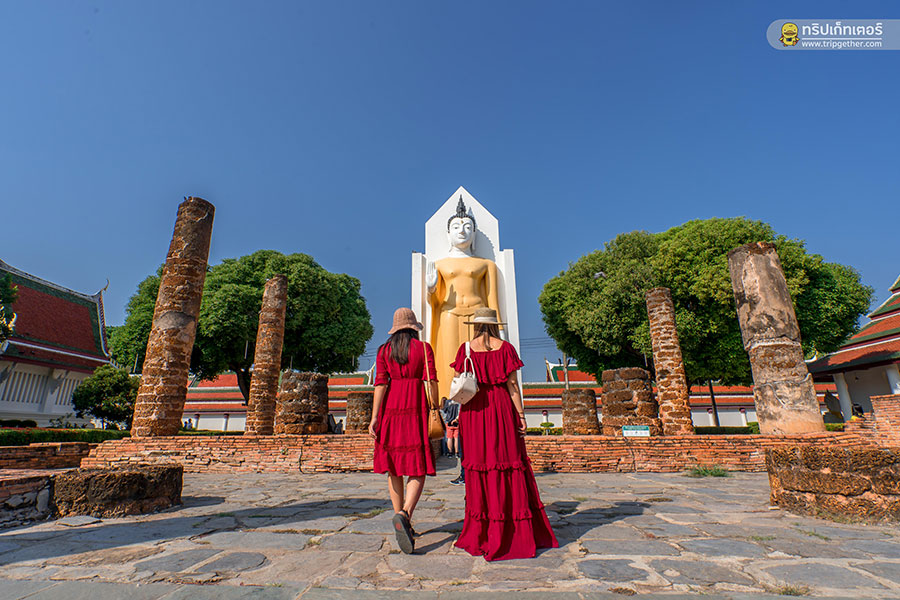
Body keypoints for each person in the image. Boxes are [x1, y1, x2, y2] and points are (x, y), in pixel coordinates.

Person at [452, 307, 557, 561]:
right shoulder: (506, 349)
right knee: (507, 464)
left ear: (475, 326)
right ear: (495, 325)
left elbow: (457, 381)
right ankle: (511, 530)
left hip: (474, 411)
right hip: (501, 409)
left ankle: (482, 532)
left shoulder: (465, 349)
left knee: (479, 466)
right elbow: (512, 385)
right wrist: (521, 415)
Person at [369, 307, 439, 554]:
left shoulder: (384, 351)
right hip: (416, 407)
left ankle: (399, 515)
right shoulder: (423, 349)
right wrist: (436, 405)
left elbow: (380, 384)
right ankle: (406, 514)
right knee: (418, 467)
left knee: (394, 467)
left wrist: (374, 417)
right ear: (413, 328)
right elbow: (431, 380)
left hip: (391, 408)